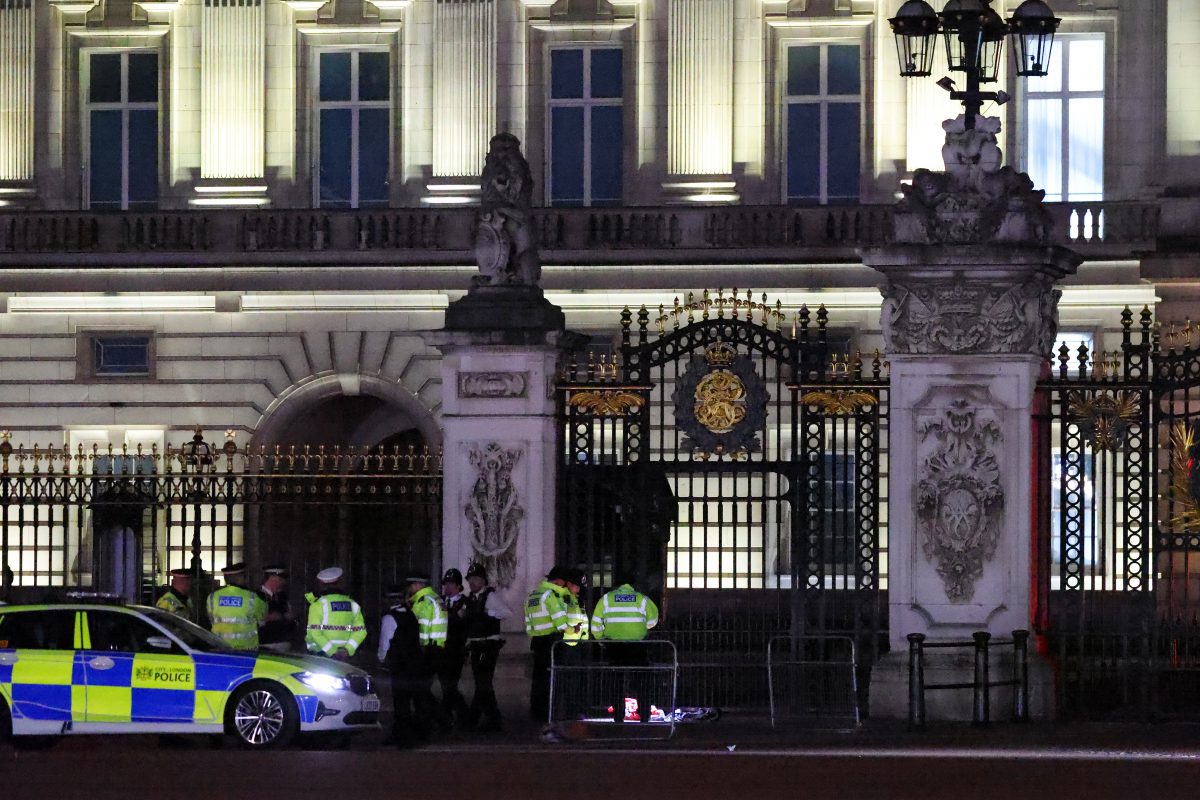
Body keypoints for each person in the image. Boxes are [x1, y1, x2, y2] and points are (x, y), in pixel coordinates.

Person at [590, 574, 660, 722]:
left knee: (616, 681)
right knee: (642, 680)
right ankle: (645, 715)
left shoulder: (607, 599)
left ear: (616, 585)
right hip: (637, 646)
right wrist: (640, 627)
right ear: (633, 585)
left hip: (614, 647)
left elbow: (595, 624)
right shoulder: (642, 599)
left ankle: (618, 715)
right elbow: (653, 620)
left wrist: (601, 640)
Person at [378, 583, 440, 748]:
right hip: (416, 663)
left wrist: (382, 659)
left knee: (401, 703)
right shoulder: (411, 615)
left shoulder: (389, 618)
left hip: (400, 666)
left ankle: (404, 737)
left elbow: (385, 642)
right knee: (418, 700)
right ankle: (418, 733)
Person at [524, 566, 580, 722]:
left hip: (537, 642)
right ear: (559, 580)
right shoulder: (551, 596)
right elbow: (561, 622)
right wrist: (573, 629)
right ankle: (549, 715)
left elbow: (528, 621)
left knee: (538, 679)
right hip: (551, 642)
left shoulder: (533, 595)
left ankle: (537, 713)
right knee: (551, 680)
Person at [462, 562, 511, 731]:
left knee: (483, 681)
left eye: (476, 579)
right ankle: (486, 719)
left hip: (488, 645)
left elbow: (506, 612)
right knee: (482, 682)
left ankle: (478, 719)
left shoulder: (490, 596)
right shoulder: (470, 599)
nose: (472, 583)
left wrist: (489, 613)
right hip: (476, 645)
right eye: (470, 579)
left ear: (483, 581)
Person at [304, 567, 367, 661]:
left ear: (321, 584)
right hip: (345, 657)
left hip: (321, 656)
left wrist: (333, 651)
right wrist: (347, 650)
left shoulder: (318, 605)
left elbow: (314, 632)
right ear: (340, 583)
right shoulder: (353, 604)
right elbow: (360, 631)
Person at [206, 563, 267, 650]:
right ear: (240, 577)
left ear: (225, 578)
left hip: (220, 648)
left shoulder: (212, 597)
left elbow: (211, 619)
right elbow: (262, 620)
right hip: (246, 650)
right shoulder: (253, 597)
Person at [438, 568, 469, 727]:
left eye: (451, 584)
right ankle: (452, 715)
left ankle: (454, 715)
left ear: (458, 586)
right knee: (446, 685)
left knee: (450, 685)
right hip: (441, 650)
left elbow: (459, 621)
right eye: (446, 584)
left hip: (456, 650)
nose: (447, 588)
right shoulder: (440, 601)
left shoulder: (464, 602)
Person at [257, 563, 296, 652]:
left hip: (283, 642)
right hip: (265, 643)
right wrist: (268, 618)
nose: (283, 582)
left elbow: (290, 615)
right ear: (272, 578)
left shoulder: (282, 596)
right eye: (280, 579)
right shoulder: (257, 596)